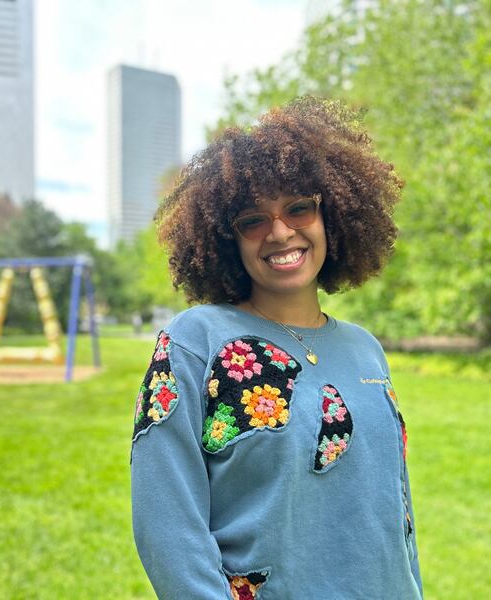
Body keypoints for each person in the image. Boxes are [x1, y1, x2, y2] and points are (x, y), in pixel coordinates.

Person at [130, 97, 422, 599]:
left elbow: (397, 510)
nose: (281, 231)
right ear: (228, 239)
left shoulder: (365, 349)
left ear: (332, 215)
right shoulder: (194, 342)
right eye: (253, 220)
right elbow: (168, 529)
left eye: (299, 208)